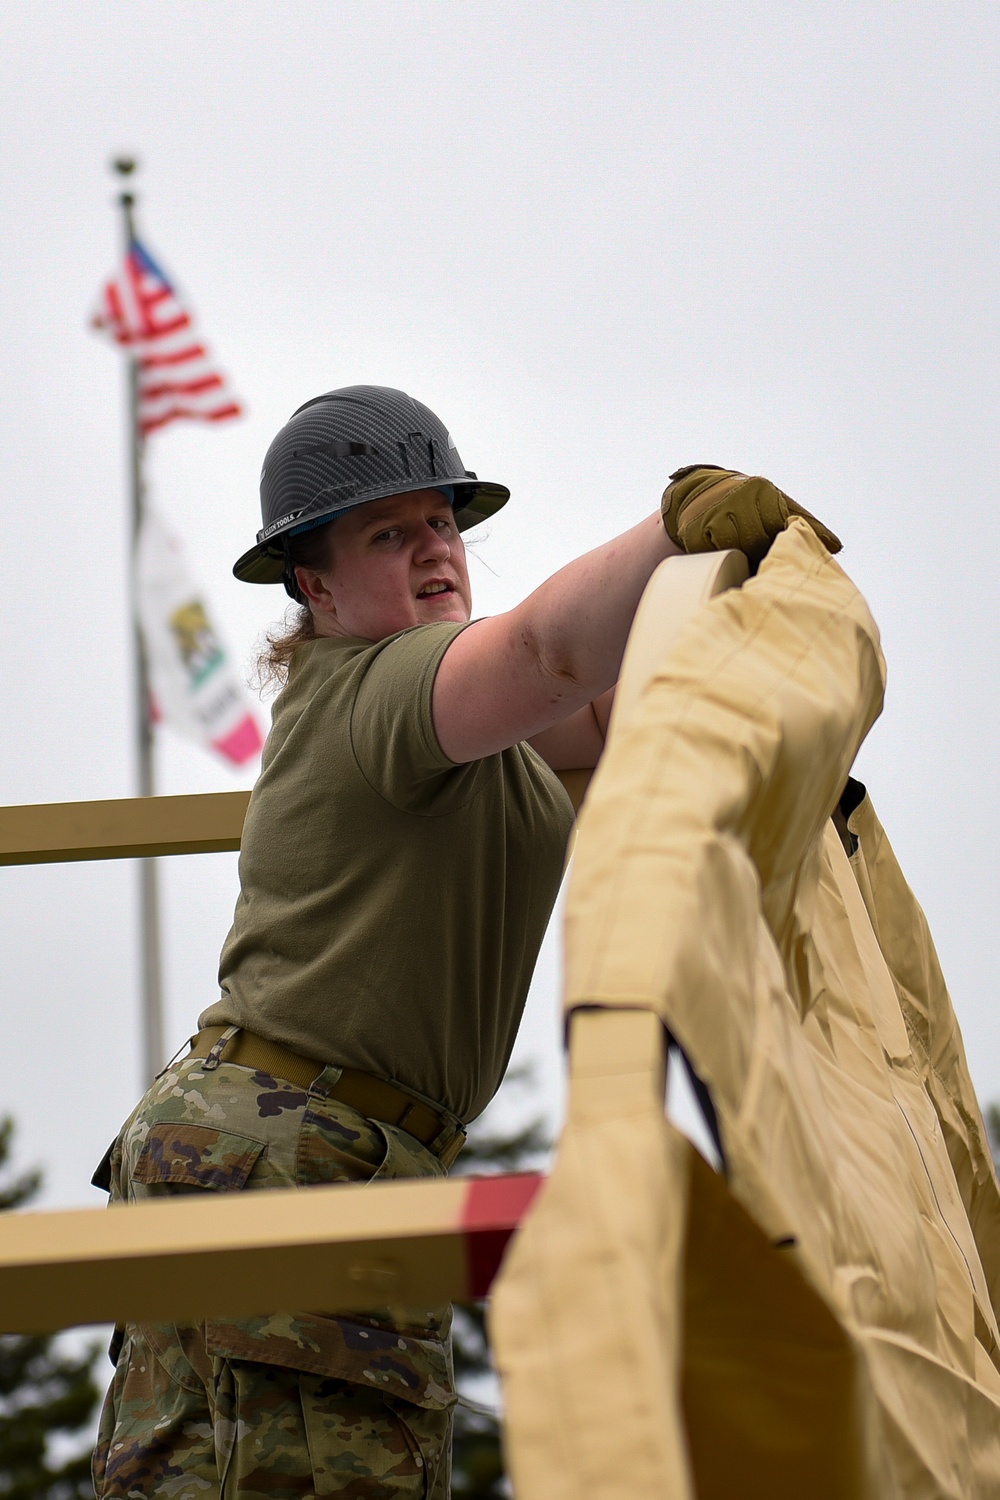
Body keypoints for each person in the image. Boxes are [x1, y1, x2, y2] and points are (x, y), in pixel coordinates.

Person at [92, 386, 839, 1500]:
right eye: (387, 535)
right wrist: (681, 522)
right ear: (316, 586)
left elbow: (606, 708)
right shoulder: (383, 687)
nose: (434, 550)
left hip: (291, 1145)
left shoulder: (463, 725)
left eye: (440, 522)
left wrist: (747, 625)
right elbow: (547, 651)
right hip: (290, 1149)